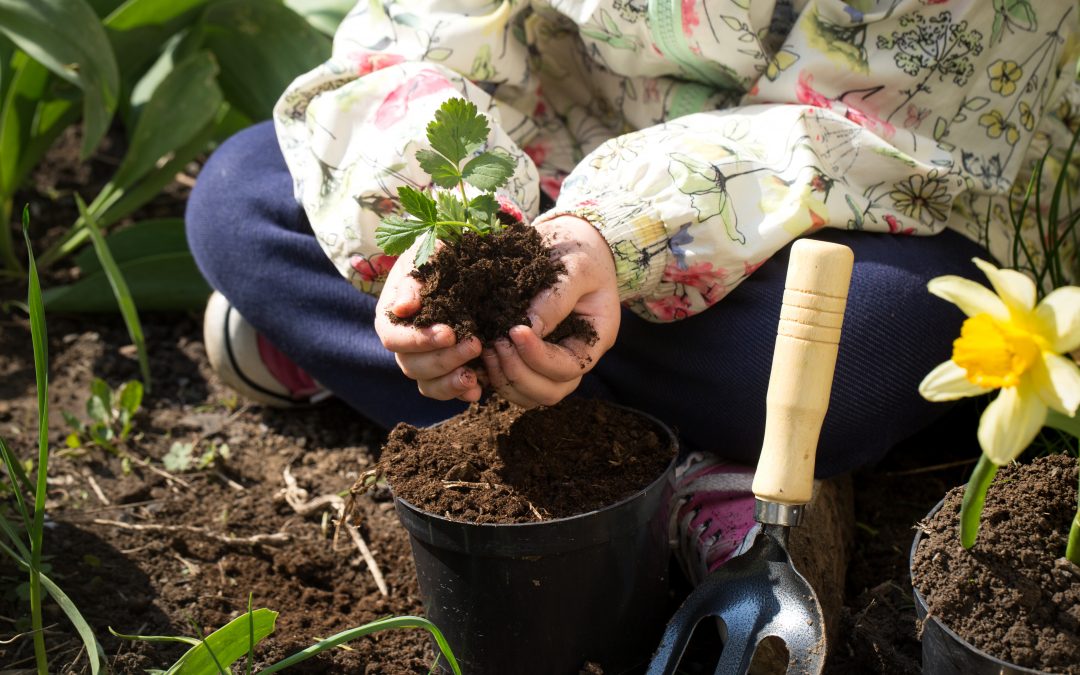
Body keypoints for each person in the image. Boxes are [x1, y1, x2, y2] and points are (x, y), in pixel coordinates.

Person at [187, 0, 1080, 582]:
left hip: (842, 196)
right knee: (239, 198)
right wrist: (459, 230)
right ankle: (676, 456)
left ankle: (393, 368)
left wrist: (617, 236)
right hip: (550, 158)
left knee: (867, 339)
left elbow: (890, 138)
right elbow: (421, 33)